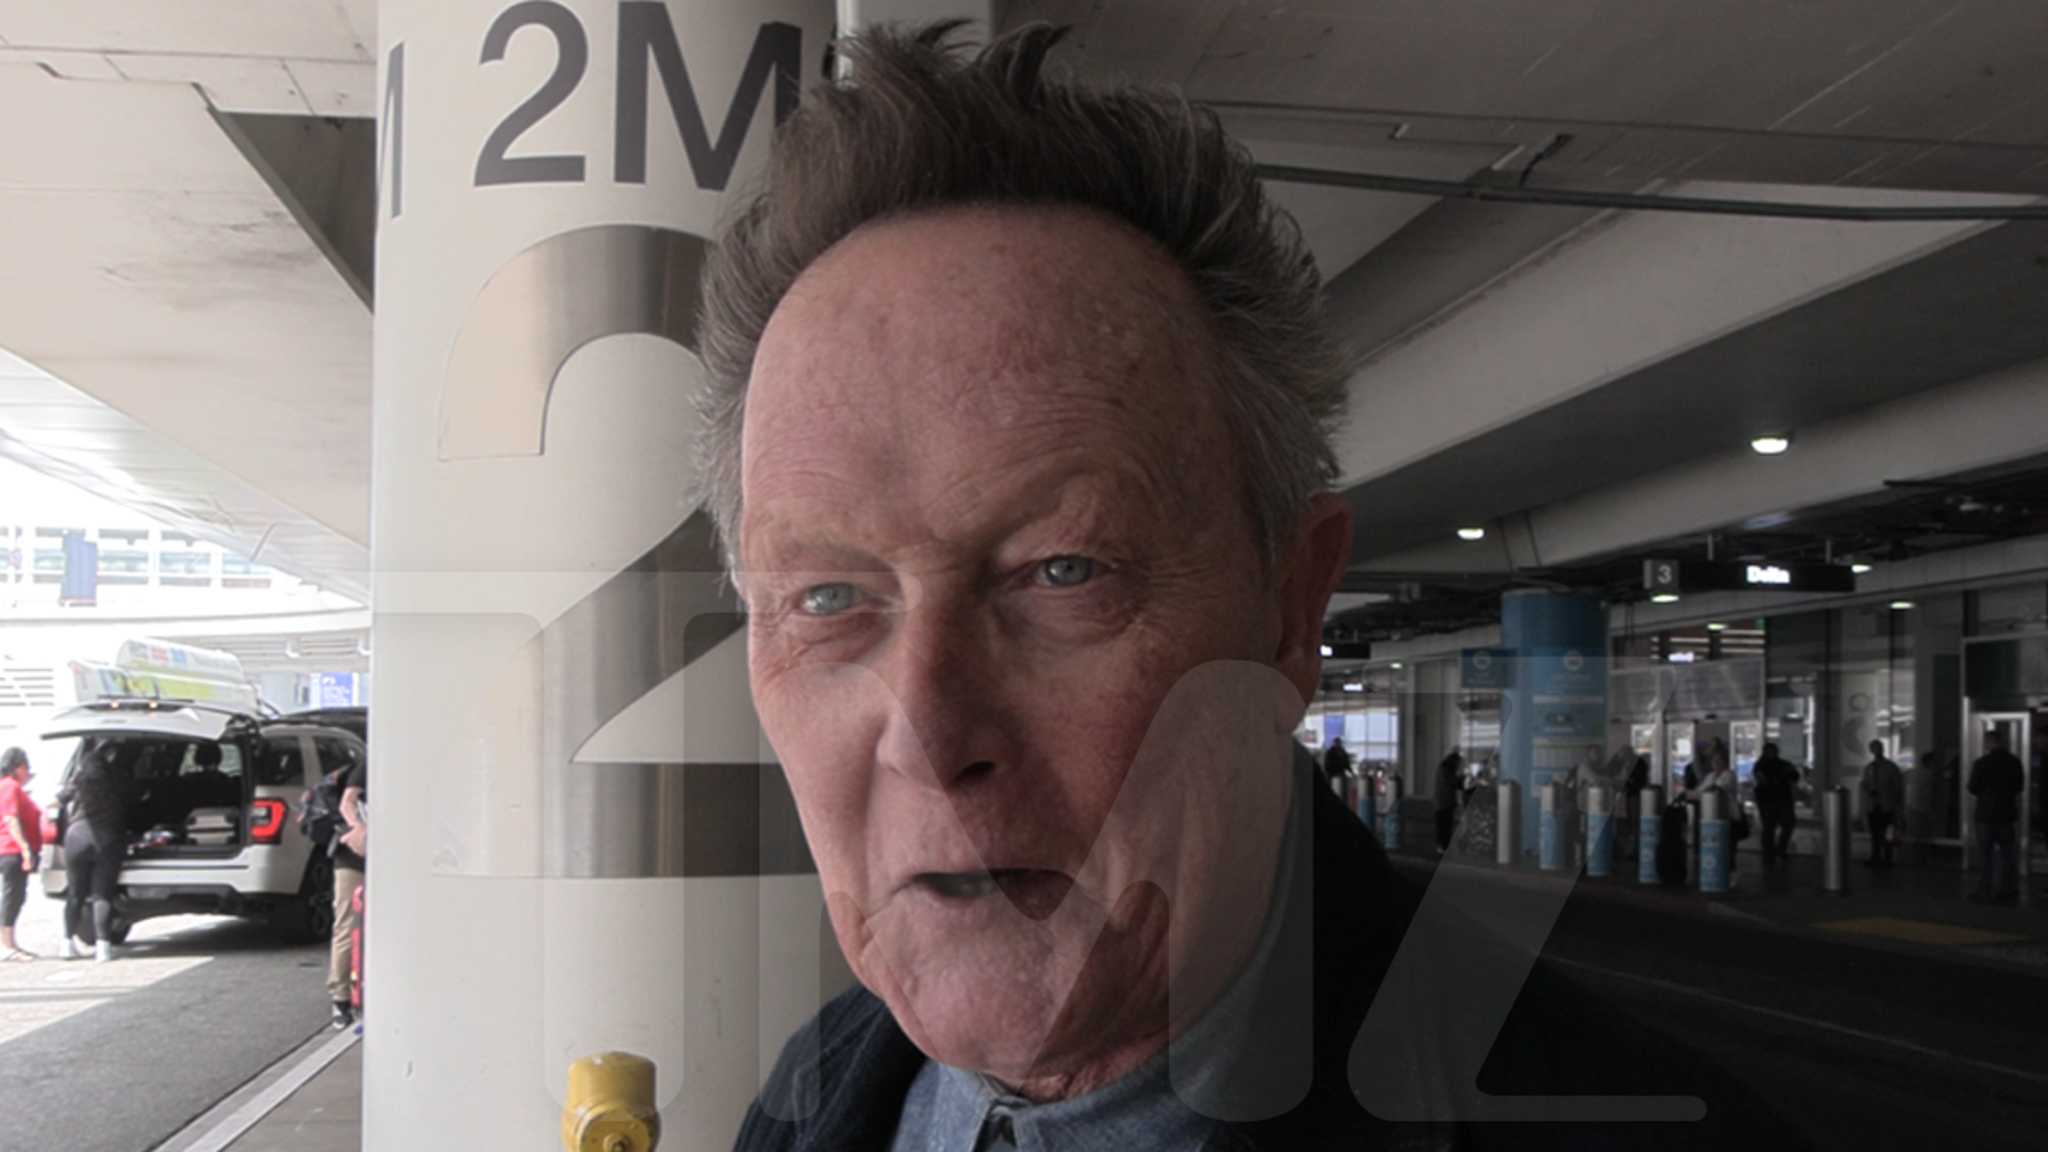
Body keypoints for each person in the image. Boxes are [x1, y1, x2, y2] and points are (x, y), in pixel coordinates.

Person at [711, 23, 1791, 1150]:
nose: (931, 738)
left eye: (1062, 572)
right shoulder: (809, 1091)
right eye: (826, 598)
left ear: (1290, 608)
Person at [57, 742, 127, 962]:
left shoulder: (78, 783)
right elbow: (141, 796)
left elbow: (55, 802)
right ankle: (103, 947)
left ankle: (67, 944)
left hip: (76, 839)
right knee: (101, 895)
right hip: (107, 841)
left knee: (75, 895)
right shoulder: (116, 782)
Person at [328, 758, 368, 1028]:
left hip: (385, 852)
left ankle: (361, 991)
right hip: (352, 854)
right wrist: (358, 827)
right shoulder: (368, 765)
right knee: (347, 922)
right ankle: (340, 997)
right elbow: (347, 802)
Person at [1967, 731, 2024, 903]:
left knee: (1985, 854)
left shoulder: (1982, 763)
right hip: (2006, 813)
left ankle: (1985, 889)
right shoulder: (2014, 762)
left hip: (1986, 813)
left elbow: (1973, 787)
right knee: (2007, 853)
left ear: (1989, 742)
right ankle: (2008, 888)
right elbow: (2019, 786)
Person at [1, 747, 44, 961]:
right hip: (11, 849)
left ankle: (10, 942)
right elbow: (11, 818)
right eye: (25, 767)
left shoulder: (10, 786)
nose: (27, 772)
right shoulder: (9, 786)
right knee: (12, 895)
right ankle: (5, 945)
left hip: (10, 848)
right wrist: (25, 848)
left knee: (16, 896)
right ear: (17, 767)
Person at [1751, 742, 1801, 864]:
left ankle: (1779, 849)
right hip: (1768, 800)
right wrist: (1782, 774)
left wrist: (1787, 773)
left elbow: (1795, 777)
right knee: (1769, 827)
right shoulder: (1761, 766)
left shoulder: (1782, 764)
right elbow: (1765, 780)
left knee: (1787, 824)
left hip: (1782, 798)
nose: (1772, 754)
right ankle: (1770, 852)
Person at [1860, 740, 1904, 867]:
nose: (1875, 751)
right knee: (1875, 833)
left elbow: (1897, 787)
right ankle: (1876, 856)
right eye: (1873, 748)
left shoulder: (1890, 768)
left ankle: (1887, 858)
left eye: (1877, 748)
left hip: (1886, 805)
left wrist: (1897, 805)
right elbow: (1865, 784)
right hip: (1873, 805)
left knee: (1886, 832)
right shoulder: (1869, 768)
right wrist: (1868, 792)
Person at [1432, 747, 1465, 853]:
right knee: (1444, 824)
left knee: (1445, 825)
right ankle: (1442, 845)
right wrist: (1462, 779)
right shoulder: (1445, 770)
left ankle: (1443, 845)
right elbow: (1451, 783)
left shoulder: (1444, 769)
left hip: (1443, 802)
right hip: (1444, 802)